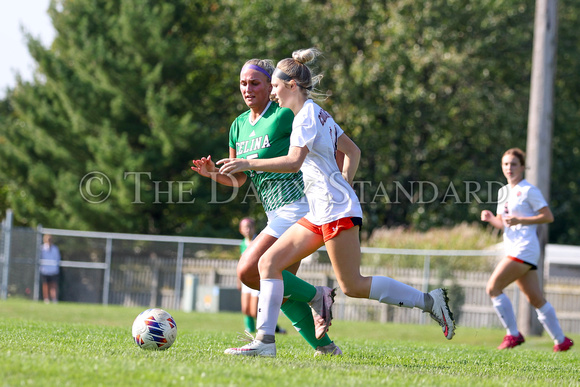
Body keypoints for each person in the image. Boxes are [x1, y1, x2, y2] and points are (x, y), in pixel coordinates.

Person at [217, 48, 456, 357]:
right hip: (321, 209)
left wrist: (248, 164)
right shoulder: (318, 112)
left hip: (333, 210)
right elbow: (353, 152)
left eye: (274, 87)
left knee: (353, 285)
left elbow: (293, 162)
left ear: (291, 85)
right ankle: (265, 342)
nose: (273, 94)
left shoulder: (304, 118)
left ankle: (430, 301)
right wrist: (343, 181)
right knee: (268, 263)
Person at [191, 58, 340, 355]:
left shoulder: (285, 114)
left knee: (249, 271)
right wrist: (213, 174)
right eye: (243, 83)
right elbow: (240, 179)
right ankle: (326, 349)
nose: (248, 89)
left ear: (270, 85)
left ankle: (317, 295)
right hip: (275, 213)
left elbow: (323, 143)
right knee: (281, 292)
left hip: (299, 206)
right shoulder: (237, 126)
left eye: (255, 83)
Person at [481, 148, 574, 352]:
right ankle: (561, 340)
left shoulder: (529, 190)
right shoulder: (503, 191)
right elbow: (505, 224)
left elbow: (548, 216)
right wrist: (491, 219)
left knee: (493, 288)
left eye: (514, 164)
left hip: (524, 249)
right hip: (514, 249)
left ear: (523, 167)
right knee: (535, 298)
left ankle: (513, 335)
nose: (509, 168)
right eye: (506, 164)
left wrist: (520, 219)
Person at [238, 217, 286, 334]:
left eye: (250, 227)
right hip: (246, 279)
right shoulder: (242, 243)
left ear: (254, 228)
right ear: (240, 230)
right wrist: (238, 280)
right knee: (245, 309)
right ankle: (249, 329)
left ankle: (274, 328)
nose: (248, 230)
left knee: (255, 311)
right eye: (245, 228)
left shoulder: (258, 241)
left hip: (257, 278)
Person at [40, 234, 61, 304]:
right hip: (45, 270)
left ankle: (54, 299)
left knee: (54, 285)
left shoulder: (55, 248)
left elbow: (58, 258)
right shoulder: (42, 248)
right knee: (45, 285)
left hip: (53, 270)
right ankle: (46, 299)